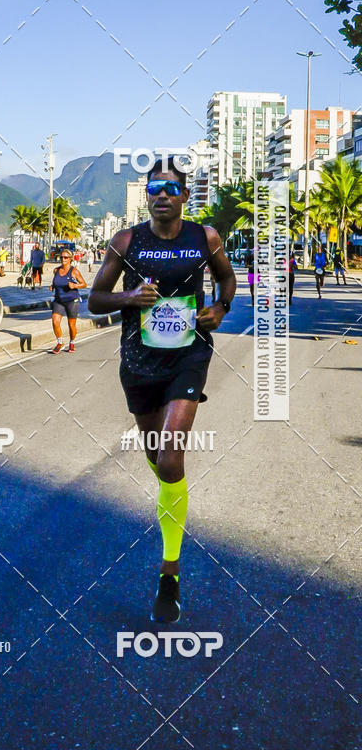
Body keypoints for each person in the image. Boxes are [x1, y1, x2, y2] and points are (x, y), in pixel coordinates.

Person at [89, 157, 236, 623]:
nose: (162, 194)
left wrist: (221, 307)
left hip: (189, 356)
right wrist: (129, 298)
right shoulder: (127, 241)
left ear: (184, 196)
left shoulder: (204, 238)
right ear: (147, 194)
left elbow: (228, 279)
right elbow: (95, 299)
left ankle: (169, 573)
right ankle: (172, 501)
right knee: (157, 460)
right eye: (154, 187)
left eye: (171, 188)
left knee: (171, 457)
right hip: (139, 363)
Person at [50, 250, 87, 354]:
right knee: (55, 321)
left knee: (71, 325)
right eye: (61, 257)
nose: (63, 259)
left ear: (71, 259)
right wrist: (52, 286)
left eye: (66, 257)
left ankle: (72, 343)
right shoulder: (56, 270)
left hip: (72, 301)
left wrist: (75, 285)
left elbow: (84, 284)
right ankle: (60, 342)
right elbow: (56, 282)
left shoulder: (74, 271)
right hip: (59, 300)